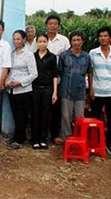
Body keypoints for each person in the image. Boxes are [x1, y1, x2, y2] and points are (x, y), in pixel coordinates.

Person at [5, 30, 38, 150]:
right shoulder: (12, 53)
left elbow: (34, 74)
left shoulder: (28, 54)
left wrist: (20, 83)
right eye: (14, 39)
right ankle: (18, 136)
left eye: (18, 39)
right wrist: (7, 81)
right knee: (15, 114)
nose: (16, 41)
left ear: (24, 40)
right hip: (11, 89)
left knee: (22, 116)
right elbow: (10, 70)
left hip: (23, 90)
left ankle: (19, 140)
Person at [58, 30, 92, 143]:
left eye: (78, 40)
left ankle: (79, 138)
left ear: (82, 42)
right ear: (70, 42)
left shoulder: (86, 56)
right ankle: (66, 138)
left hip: (80, 91)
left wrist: (91, 89)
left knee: (79, 117)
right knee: (65, 117)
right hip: (66, 90)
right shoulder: (64, 55)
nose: (76, 42)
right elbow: (60, 72)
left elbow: (89, 73)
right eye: (74, 40)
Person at [45, 14, 70, 144]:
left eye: (55, 24)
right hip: (43, 80)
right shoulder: (41, 39)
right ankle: (43, 135)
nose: (53, 26)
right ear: (46, 25)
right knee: (43, 108)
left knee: (56, 109)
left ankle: (55, 134)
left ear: (59, 26)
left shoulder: (64, 41)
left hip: (59, 79)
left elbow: (68, 59)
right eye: (50, 24)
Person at [32, 34, 58, 149]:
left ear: (47, 42)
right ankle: (35, 139)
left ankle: (43, 139)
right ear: (36, 43)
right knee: (35, 114)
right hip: (35, 89)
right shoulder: (33, 56)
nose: (42, 44)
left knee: (45, 114)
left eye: (44, 41)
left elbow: (55, 75)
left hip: (48, 89)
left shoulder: (52, 57)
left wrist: (55, 92)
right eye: (40, 41)